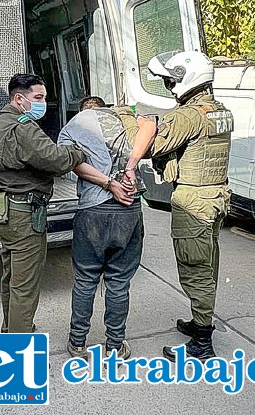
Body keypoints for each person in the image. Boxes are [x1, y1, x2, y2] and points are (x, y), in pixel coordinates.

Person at [124, 50, 233, 361]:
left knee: (194, 269)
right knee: (208, 263)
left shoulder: (188, 116)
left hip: (194, 200)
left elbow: (150, 145)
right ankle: (200, 322)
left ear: (188, 80)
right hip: (216, 196)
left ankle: (202, 343)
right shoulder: (219, 110)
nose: (170, 88)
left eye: (172, 81)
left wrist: (134, 120)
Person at [0, 73, 87, 334]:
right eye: (38, 98)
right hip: (23, 213)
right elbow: (55, 159)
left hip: (4, 210)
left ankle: (11, 328)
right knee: (25, 287)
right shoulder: (22, 127)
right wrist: (78, 151)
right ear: (19, 99)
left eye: (45, 98)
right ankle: (20, 347)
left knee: (12, 279)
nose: (43, 103)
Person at [57, 96, 157, 360]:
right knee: (119, 282)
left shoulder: (73, 126)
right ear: (104, 107)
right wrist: (131, 167)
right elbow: (150, 126)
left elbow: (70, 162)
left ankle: (77, 343)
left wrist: (106, 183)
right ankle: (115, 345)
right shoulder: (124, 120)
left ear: (84, 109)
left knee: (86, 280)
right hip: (129, 209)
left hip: (93, 210)